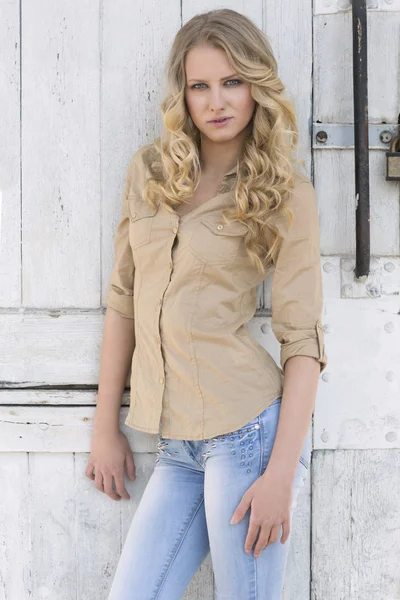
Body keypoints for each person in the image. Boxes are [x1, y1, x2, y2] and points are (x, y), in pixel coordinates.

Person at [86, 8, 327, 600]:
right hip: (176, 444)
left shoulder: (285, 191)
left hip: (248, 437)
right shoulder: (148, 172)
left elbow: (303, 342)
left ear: (256, 87)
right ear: (183, 95)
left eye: (232, 82)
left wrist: (279, 477)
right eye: (200, 86)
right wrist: (104, 426)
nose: (216, 101)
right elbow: (123, 300)